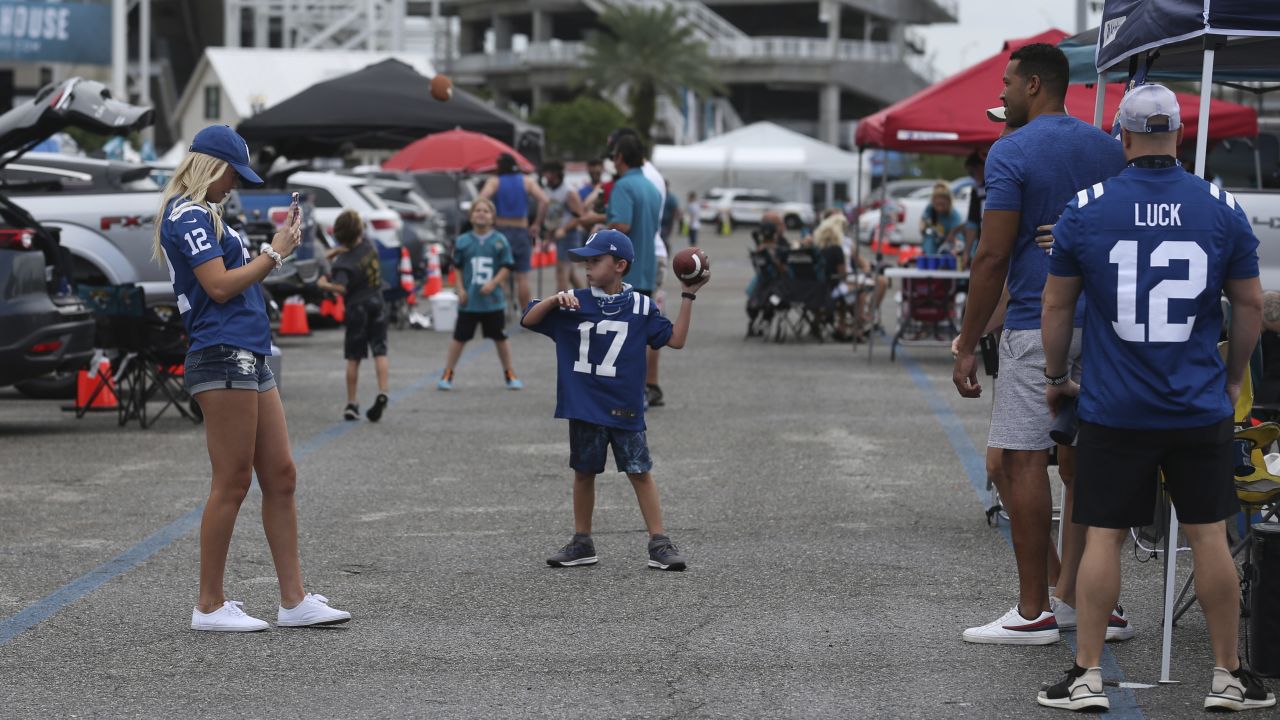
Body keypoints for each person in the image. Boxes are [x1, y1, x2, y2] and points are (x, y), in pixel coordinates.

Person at [1037, 83, 1274, 713]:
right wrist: (1233, 375)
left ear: (1122, 134)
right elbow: (1248, 304)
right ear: (1178, 134)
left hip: (1116, 405)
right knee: (1210, 537)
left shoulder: (1086, 208)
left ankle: (1086, 673)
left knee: (1104, 536)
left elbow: (1057, 304)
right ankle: (1228, 676)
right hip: (1197, 403)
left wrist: (1056, 374)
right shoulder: (1221, 206)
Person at [951, 43, 1128, 646]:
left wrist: (969, 340)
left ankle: (1034, 612)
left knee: (1021, 458)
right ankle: (1092, 601)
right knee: (1087, 463)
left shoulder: (1011, 150)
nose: (999, 94)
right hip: (1104, 325)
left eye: (1005, 83)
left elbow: (992, 254)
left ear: (1033, 84)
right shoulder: (1111, 148)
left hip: (1038, 322)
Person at [154, 125, 350, 631]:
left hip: (247, 353)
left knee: (281, 476)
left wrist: (277, 251)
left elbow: (239, 280)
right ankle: (210, 605)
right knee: (234, 480)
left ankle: (293, 600)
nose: (234, 186)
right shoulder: (189, 212)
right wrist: (276, 252)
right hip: (222, 354)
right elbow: (219, 287)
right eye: (232, 175)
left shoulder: (209, 214)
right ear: (211, 167)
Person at [521, 229, 708, 571]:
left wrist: (688, 295)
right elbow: (528, 319)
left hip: (624, 405)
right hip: (584, 406)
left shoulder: (640, 305)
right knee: (584, 472)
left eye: (595, 261)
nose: (588, 268)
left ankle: (659, 541)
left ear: (620, 265)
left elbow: (676, 340)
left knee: (639, 472)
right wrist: (552, 299)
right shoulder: (574, 301)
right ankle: (582, 541)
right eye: (586, 261)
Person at [604, 133, 666, 408]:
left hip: (623, 272)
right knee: (640, 335)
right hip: (647, 269)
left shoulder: (623, 186)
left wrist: (600, 237)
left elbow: (622, 226)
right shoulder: (651, 187)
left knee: (620, 336)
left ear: (619, 158)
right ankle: (642, 389)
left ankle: (627, 393)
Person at [437, 198, 523, 391]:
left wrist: (494, 283)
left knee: (500, 338)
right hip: (470, 300)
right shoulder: (463, 241)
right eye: (477, 211)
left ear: (493, 217)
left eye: (486, 211)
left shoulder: (499, 241)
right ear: (471, 215)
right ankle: (448, 372)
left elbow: (507, 266)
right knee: (459, 338)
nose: (481, 214)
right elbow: (457, 267)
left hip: (493, 301)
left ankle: (509, 372)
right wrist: (460, 288)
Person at [317, 209, 390, 422]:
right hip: (378, 303)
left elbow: (341, 287)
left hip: (357, 309)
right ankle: (383, 390)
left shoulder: (342, 263)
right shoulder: (370, 247)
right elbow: (355, 244)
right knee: (380, 350)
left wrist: (324, 284)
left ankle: (352, 402)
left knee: (354, 357)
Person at [479, 153, 548, 312]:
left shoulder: (495, 181)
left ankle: (500, 311)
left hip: (500, 231)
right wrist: (537, 223)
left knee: (499, 274)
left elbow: (482, 198)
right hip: (521, 231)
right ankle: (526, 312)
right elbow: (544, 200)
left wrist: (490, 218)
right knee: (522, 276)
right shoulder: (527, 181)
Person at [541, 161, 586, 292]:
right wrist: (547, 239)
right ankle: (587, 298)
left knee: (561, 272)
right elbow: (552, 217)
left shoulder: (568, 192)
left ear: (556, 174)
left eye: (548, 173)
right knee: (570, 274)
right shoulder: (548, 190)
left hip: (570, 236)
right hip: (557, 235)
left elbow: (580, 217)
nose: (545, 176)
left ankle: (561, 306)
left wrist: (564, 229)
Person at [919, 182, 964, 257]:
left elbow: (956, 237)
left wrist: (955, 249)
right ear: (933, 202)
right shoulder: (930, 209)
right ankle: (930, 257)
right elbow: (923, 221)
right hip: (937, 240)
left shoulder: (954, 215)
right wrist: (923, 229)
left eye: (942, 205)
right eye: (937, 205)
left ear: (949, 202)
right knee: (929, 236)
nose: (940, 208)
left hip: (951, 242)